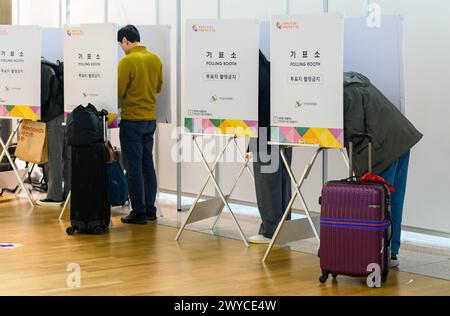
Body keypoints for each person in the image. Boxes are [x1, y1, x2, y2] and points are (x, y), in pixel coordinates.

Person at [343, 72, 423, 268]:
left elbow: (356, 134)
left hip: (382, 148)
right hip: (401, 139)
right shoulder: (354, 82)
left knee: (376, 203)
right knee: (393, 199)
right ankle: (390, 252)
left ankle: (376, 253)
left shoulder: (346, 93)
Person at [117, 25, 163, 225]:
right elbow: (159, 86)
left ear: (125, 40)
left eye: (121, 44)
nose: (121, 48)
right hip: (149, 119)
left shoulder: (127, 61)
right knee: (147, 165)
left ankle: (138, 211)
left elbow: (118, 91)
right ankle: (151, 209)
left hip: (132, 119)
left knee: (133, 166)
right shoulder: (155, 59)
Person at [248, 51, 292, 244]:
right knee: (282, 180)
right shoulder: (271, 68)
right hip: (284, 131)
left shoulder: (253, 74)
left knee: (267, 183)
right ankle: (283, 226)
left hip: (265, 132)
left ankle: (270, 231)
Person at [37, 59, 71, 207]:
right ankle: (69, 193)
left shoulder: (42, 69)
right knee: (68, 156)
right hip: (67, 114)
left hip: (53, 116)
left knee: (54, 156)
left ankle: (54, 195)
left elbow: (43, 97)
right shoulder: (56, 67)